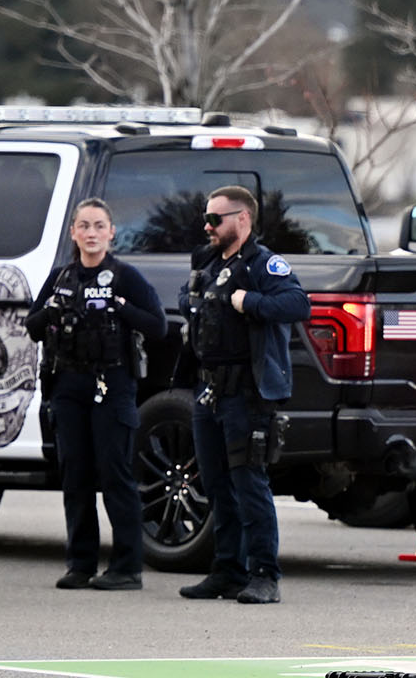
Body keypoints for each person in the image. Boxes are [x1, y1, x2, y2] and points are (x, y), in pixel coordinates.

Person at [181, 183, 308, 605]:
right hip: (209, 390)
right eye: (207, 217)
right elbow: (190, 302)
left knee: (249, 484)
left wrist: (249, 301)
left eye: (216, 218)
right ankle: (227, 570)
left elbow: (296, 305)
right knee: (216, 486)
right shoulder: (206, 261)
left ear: (242, 219)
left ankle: (263, 574)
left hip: (248, 394)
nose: (208, 225)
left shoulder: (263, 265)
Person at [31, 198, 166, 590]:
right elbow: (33, 326)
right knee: (75, 475)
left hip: (112, 385)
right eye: (84, 226)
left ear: (111, 233)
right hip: (67, 386)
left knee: (115, 474)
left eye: (99, 226)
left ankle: (126, 567)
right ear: (73, 232)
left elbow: (157, 327)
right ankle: (81, 563)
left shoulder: (125, 277)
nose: (91, 233)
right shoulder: (61, 278)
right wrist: (56, 308)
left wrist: (119, 306)